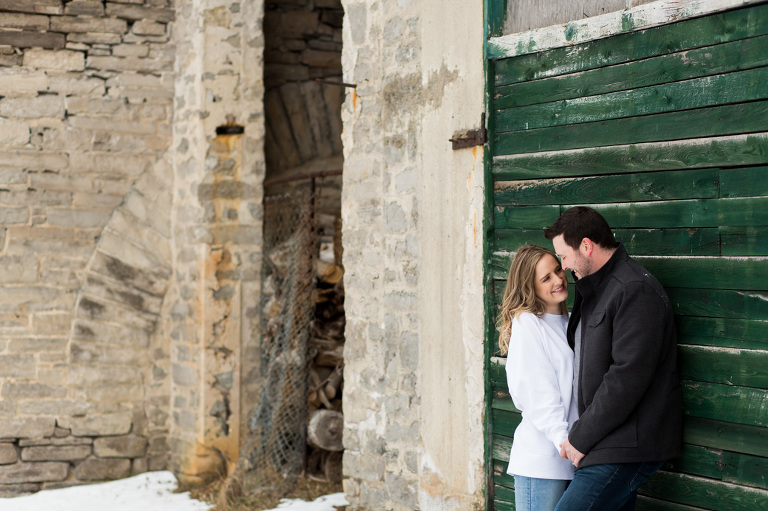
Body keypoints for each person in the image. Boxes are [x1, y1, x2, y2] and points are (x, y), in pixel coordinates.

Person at [543, 206, 682, 511]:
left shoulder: (634, 289)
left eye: (564, 257)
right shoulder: (595, 289)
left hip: (626, 444)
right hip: (608, 440)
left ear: (587, 246)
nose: (563, 267)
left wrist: (580, 437)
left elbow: (626, 378)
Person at [498, 245, 579, 511]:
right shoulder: (528, 323)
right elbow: (535, 390)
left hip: (571, 455)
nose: (558, 280)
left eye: (557, 270)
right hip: (544, 460)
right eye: (546, 278)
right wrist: (562, 439)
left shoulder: (570, 323)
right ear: (530, 287)